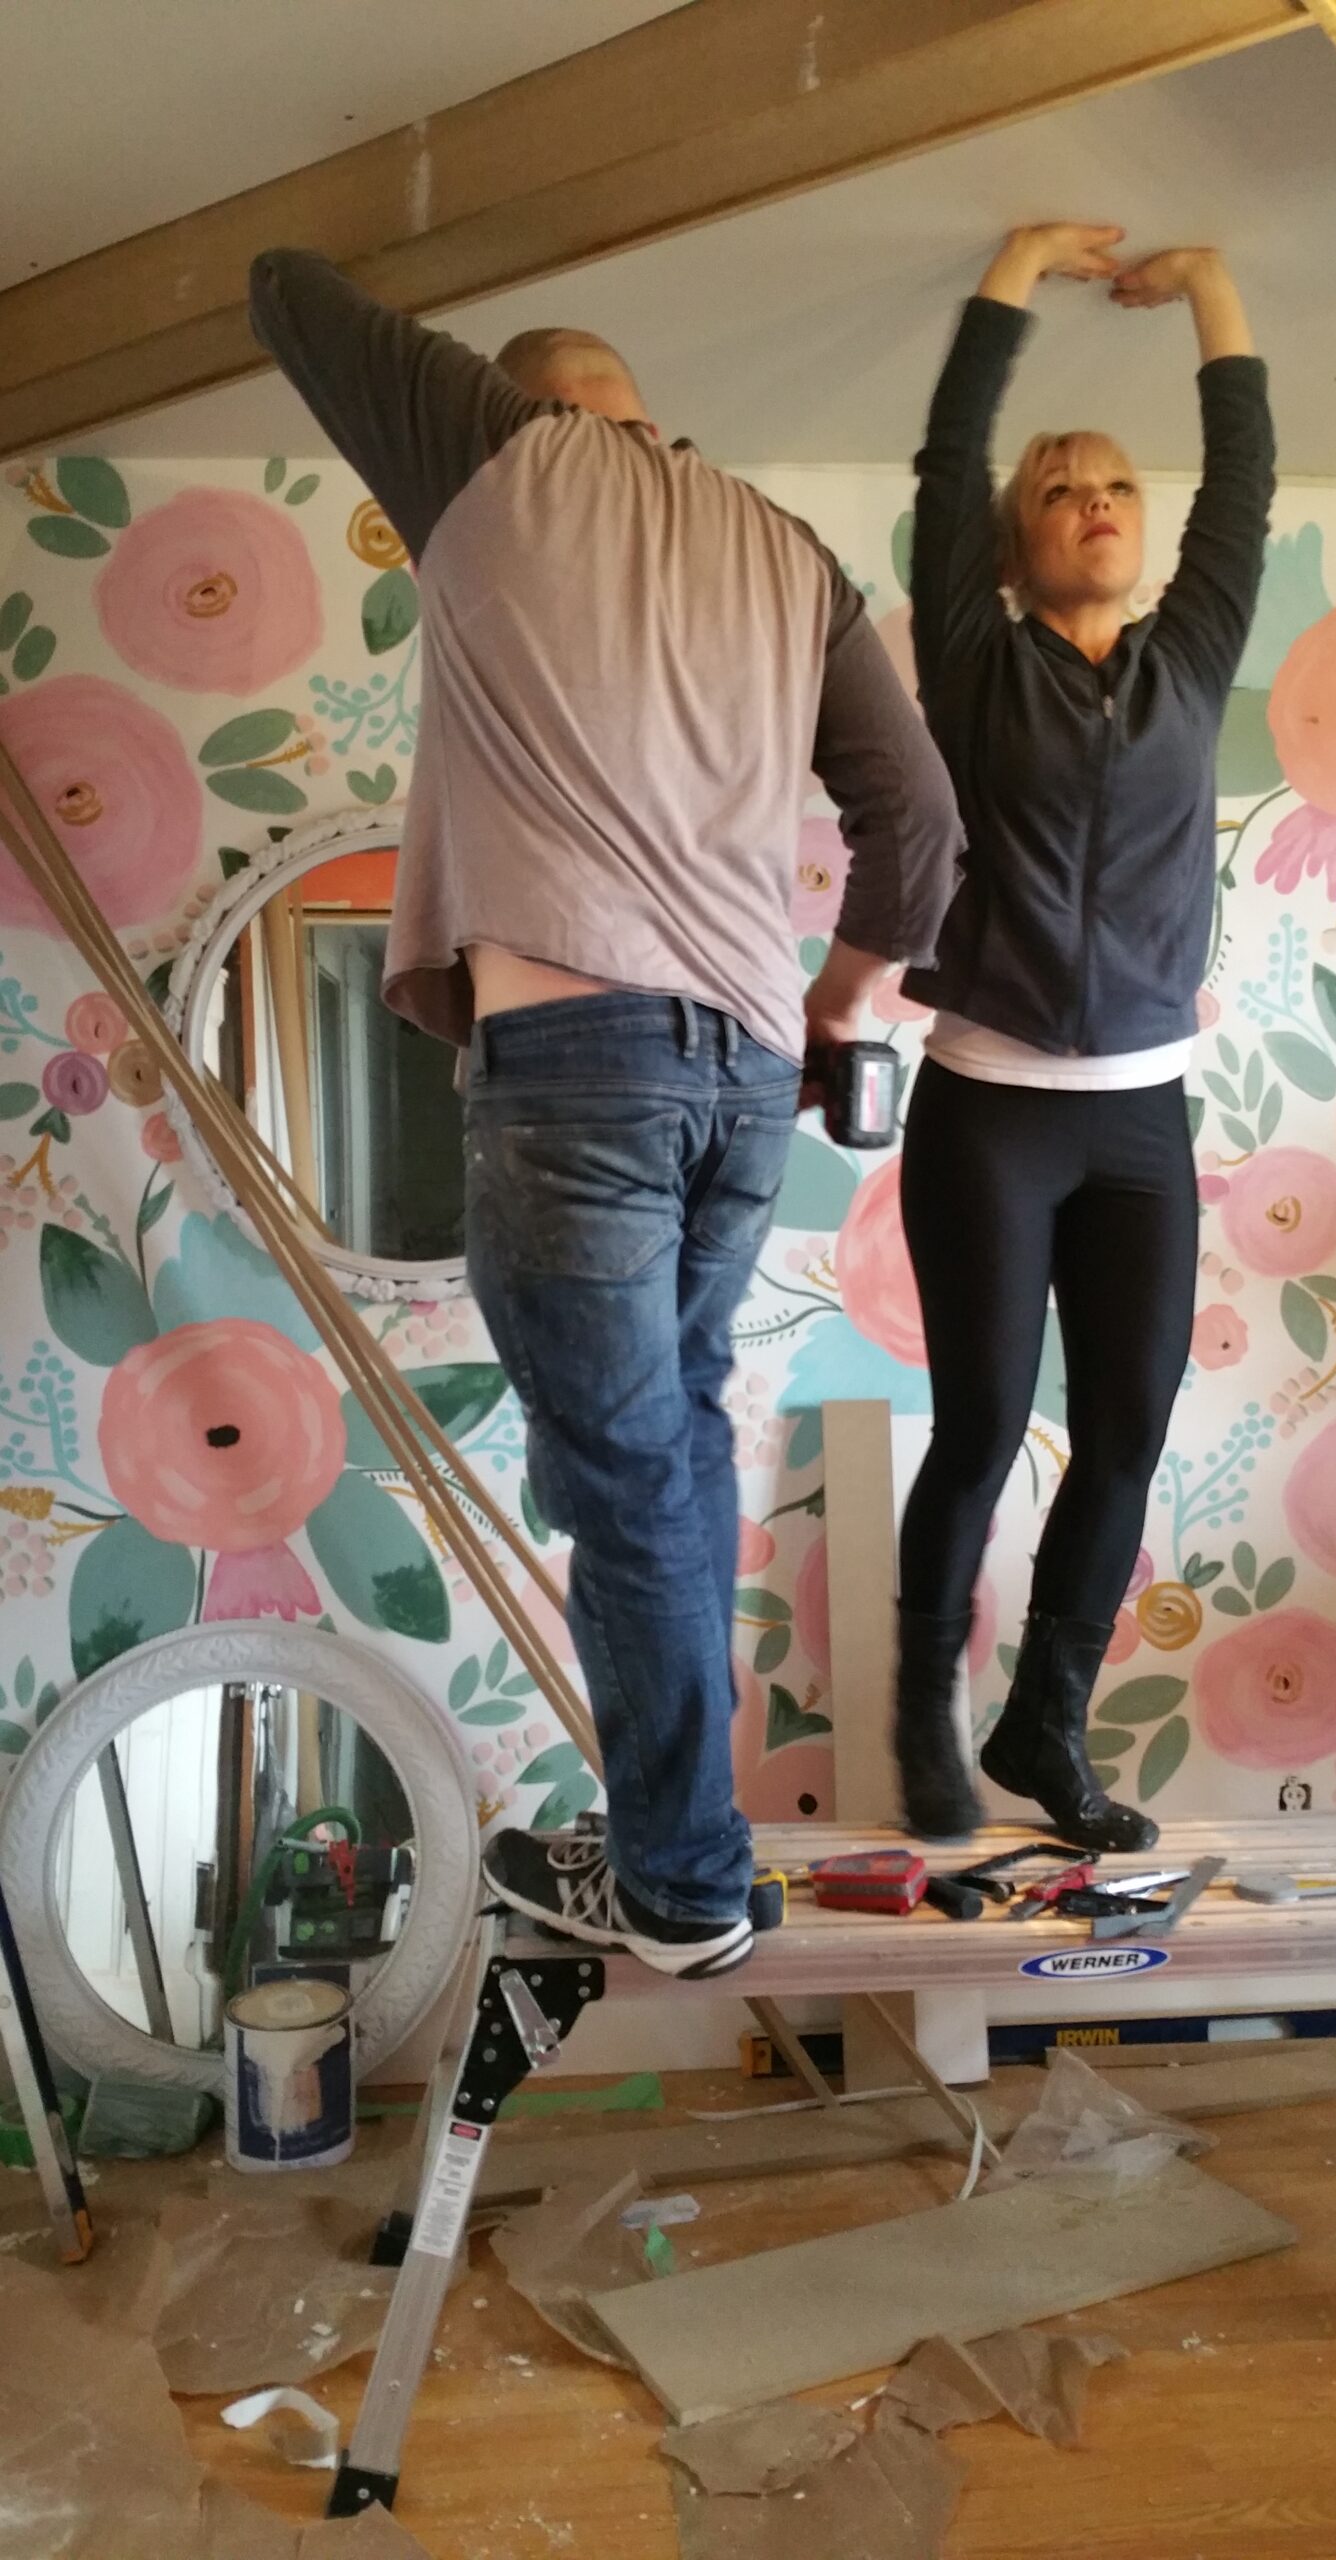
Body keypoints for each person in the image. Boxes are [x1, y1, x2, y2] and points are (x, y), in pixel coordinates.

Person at [249, 256, 960, 1978]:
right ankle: (683, 1844)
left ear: (521, 409)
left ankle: (683, 1886)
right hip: (742, 1077)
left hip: (580, 1066)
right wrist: (841, 1007)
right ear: (654, 421)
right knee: (671, 1454)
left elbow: (280, 286)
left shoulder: (499, 461)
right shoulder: (782, 550)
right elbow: (919, 822)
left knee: (633, 1482)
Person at [894, 222, 1275, 1854]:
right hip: (989, 1106)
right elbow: (946, 458)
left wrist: (1209, 286)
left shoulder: (1191, 653)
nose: (1096, 505)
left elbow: (1242, 481)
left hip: (1137, 1121)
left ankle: (1043, 1723)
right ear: (1014, 539)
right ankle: (926, 1715)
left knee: (1125, 1432)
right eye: (1060, 491)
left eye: (1114, 486)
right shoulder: (974, 662)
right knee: (983, 1425)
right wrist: (1011, 272)